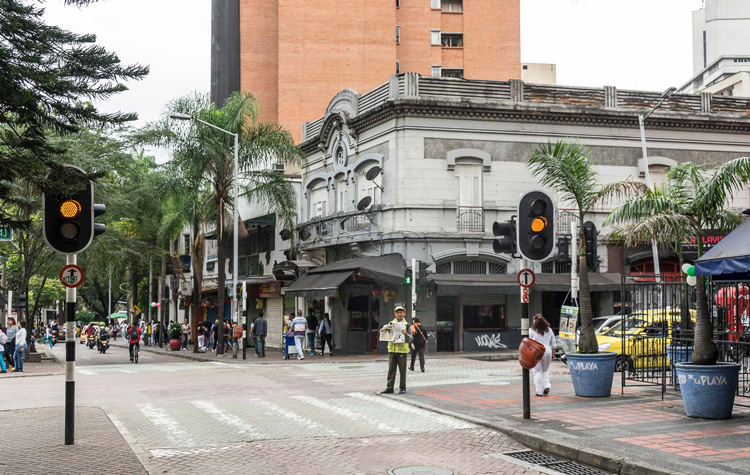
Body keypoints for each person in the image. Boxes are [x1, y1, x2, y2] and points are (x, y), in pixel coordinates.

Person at [381, 305, 412, 395]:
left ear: (404, 314)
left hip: (402, 351)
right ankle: (389, 387)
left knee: (402, 371)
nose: (399, 314)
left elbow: (411, 339)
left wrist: (405, 334)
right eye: (398, 312)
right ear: (395, 314)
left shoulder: (407, 325)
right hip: (392, 350)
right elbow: (387, 336)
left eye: (401, 312)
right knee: (391, 370)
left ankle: (402, 387)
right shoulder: (390, 324)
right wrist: (382, 331)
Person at [529, 313, 556, 397]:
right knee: (545, 370)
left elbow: (529, 343)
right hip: (547, 351)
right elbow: (554, 344)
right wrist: (553, 353)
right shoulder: (549, 330)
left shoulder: (531, 330)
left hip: (536, 352)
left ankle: (539, 391)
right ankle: (546, 386)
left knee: (537, 372)